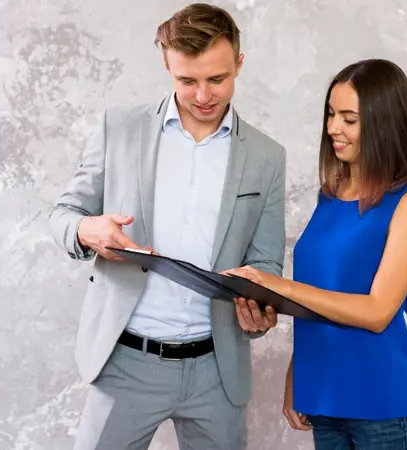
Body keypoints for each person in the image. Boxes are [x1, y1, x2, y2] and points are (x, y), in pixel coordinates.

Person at [47, 3, 284, 449]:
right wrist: (89, 230)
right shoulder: (119, 128)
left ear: (239, 63)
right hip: (125, 362)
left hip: (219, 373)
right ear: (166, 65)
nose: (202, 95)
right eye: (187, 80)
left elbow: (266, 262)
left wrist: (258, 313)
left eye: (217, 79)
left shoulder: (268, 157)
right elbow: (62, 215)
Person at [225, 58, 407, 449]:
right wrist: (296, 377)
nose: (333, 128)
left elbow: (376, 312)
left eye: (349, 119)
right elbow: (318, 297)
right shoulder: (329, 195)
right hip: (325, 400)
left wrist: (278, 287)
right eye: (331, 114)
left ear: (384, 123)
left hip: (384, 406)